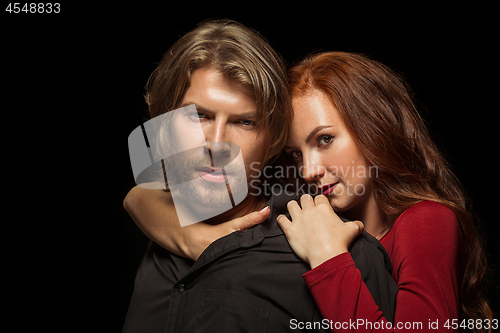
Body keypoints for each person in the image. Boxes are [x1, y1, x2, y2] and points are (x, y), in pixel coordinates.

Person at [122, 20, 397, 332]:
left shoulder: (346, 253)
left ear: (274, 139)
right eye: (199, 115)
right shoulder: (159, 225)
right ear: (166, 126)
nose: (215, 144)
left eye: (244, 122)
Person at [276, 51, 492, 332]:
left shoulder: (427, 221)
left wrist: (328, 258)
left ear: (374, 128)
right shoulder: (309, 226)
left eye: (325, 139)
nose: (307, 170)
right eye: (295, 154)